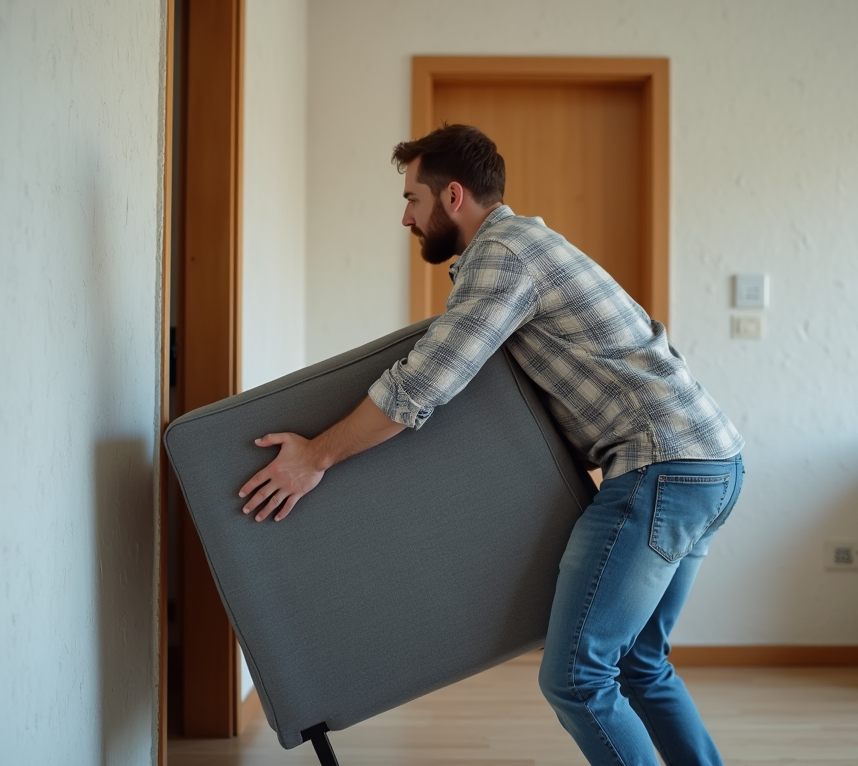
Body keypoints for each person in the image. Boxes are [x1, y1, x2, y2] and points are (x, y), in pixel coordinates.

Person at [238, 124, 745, 766]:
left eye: (412, 200)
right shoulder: (531, 244)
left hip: (662, 469)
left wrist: (316, 456)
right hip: (709, 462)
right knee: (640, 665)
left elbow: (424, 381)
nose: (405, 217)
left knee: (577, 679)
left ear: (453, 197)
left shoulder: (503, 255)